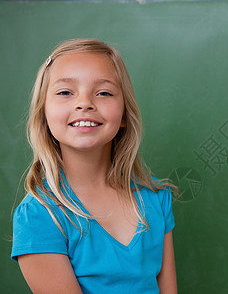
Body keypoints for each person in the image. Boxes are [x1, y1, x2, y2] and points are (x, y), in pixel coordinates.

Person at [11, 39, 177, 294]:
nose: (84, 103)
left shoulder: (156, 199)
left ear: (123, 115)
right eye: (66, 92)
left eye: (104, 93)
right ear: (44, 114)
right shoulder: (40, 215)